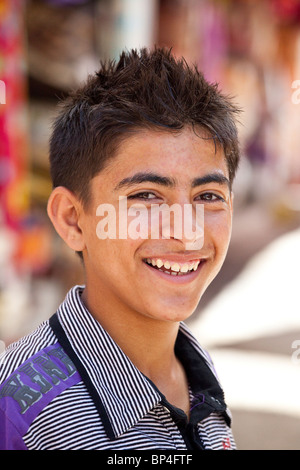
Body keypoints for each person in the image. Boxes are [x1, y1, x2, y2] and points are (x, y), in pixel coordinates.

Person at [0, 47, 240, 450]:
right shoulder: (22, 416)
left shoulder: (195, 369)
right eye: (146, 195)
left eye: (208, 196)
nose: (187, 234)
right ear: (73, 220)